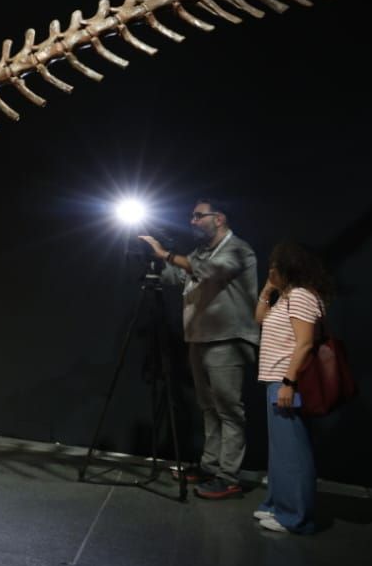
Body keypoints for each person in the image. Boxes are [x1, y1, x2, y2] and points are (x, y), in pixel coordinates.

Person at [139, 198, 259, 500]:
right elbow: (177, 276)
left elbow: (209, 272)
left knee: (229, 411)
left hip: (227, 339)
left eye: (198, 216)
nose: (192, 221)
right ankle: (210, 466)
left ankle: (228, 477)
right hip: (200, 337)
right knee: (208, 407)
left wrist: (167, 254)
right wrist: (153, 259)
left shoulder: (238, 249)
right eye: (191, 216)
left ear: (219, 218)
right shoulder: (201, 252)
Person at [253, 241, 330, 534]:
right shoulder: (286, 296)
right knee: (281, 451)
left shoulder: (300, 296)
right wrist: (267, 291)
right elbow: (260, 319)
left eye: (275, 265)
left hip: (287, 380)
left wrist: (288, 382)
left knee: (293, 451)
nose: (271, 270)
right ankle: (277, 505)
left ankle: (296, 517)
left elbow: (305, 343)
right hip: (276, 379)